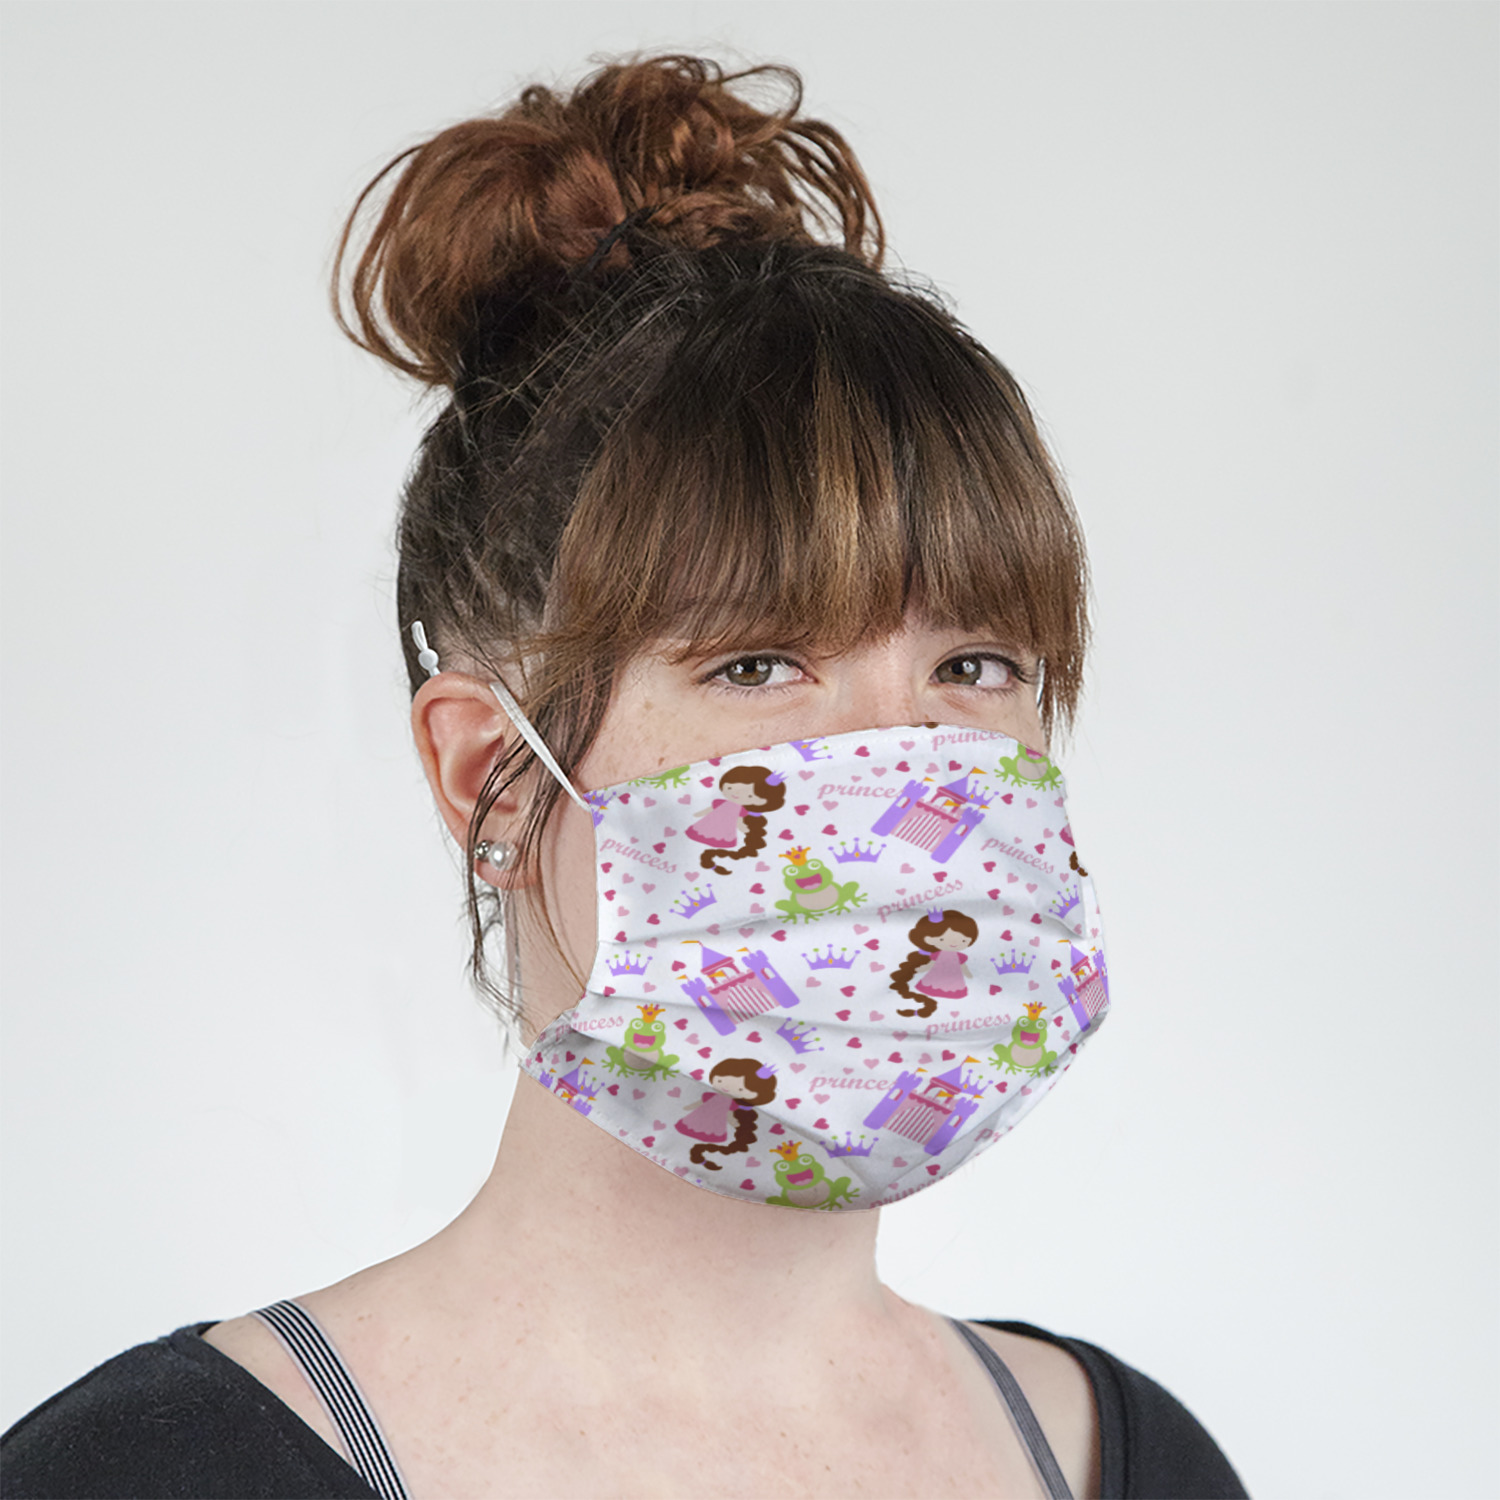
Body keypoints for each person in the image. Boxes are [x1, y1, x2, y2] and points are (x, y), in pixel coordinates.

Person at [0, 54, 1247, 1500]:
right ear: (491, 777)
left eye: (977, 665)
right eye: (759, 664)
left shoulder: (1136, 1463)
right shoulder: (154, 1474)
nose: (905, 755)